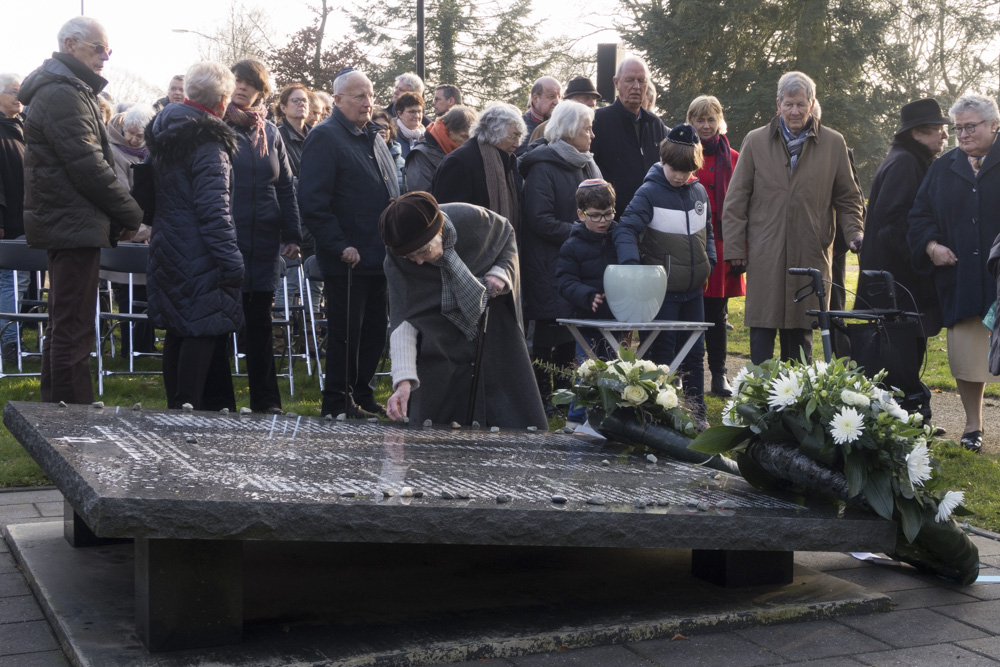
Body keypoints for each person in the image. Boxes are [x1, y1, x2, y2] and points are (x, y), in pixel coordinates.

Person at [20, 16, 144, 404]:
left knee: (65, 323)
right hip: (71, 221)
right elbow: (88, 165)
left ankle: (54, 418)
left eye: (108, 50)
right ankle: (69, 423)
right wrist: (131, 213)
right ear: (70, 45)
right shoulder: (62, 92)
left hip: (71, 220)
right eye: (98, 48)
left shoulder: (70, 88)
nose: (105, 57)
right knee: (72, 327)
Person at [722, 71, 864, 365]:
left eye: (801, 104)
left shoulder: (834, 143)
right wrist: (736, 250)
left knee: (801, 346)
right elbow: (735, 201)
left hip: (810, 254)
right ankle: (758, 405)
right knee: (761, 339)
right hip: (765, 256)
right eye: (789, 104)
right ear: (778, 104)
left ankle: (798, 407)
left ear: (812, 105)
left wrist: (854, 234)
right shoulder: (756, 141)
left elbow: (849, 199)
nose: (795, 111)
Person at [380, 191, 547, 428]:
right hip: (438, 338)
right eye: (411, 256)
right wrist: (403, 383)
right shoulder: (397, 258)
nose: (417, 262)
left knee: (509, 419)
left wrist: (500, 272)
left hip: (492, 325)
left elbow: (506, 235)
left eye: (423, 252)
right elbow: (404, 319)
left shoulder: (473, 219)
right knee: (435, 429)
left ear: (438, 232)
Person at [298, 69, 400, 419]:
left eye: (370, 95)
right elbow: (312, 201)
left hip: (380, 254)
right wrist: (339, 244)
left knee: (373, 332)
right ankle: (337, 402)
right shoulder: (326, 137)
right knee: (346, 334)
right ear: (337, 100)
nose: (368, 102)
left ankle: (362, 393)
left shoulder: (370, 137)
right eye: (359, 96)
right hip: (349, 257)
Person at [145, 61, 244, 411]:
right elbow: (214, 207)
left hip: (167, 241)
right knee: (201, 326)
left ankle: (178, 404)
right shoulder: (208, 142)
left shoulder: (164, 129)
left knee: (178, 327)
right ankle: (188, 408)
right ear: (222, 101)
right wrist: (231, 259)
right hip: (200, 247)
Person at [908, 94, 1000, 452]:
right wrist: (932, 247)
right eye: (958, 128)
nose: (962, 134)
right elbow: (919, 217)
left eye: (970, 127)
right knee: (966, 356)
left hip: (998, 278)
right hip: (960, 279)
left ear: (994, 125)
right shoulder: (943, 168)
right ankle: (973, 424)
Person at [614, 125, 715, 426]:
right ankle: (657, 418)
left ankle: (697, 416)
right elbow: (626, 228)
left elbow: (707, 231)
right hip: (661, 292)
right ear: (663, 159)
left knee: (695, 354)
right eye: (674, 169)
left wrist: (709, 260)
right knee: (661, 356)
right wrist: (632, 266)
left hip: (694, 290)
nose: (679, 176)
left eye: (687, 170)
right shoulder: (649, 192)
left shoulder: (699, 192)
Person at [857, 99, 948, 423]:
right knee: (897, 355)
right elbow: (893, 224)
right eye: (938, 130)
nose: (944, 137)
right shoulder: (905, 164)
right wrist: (926, 250)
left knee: (900, 353)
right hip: (895, 283)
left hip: (894, 281)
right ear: (919, 132)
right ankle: (905, 417)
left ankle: (908, 415)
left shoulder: (909, 159)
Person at [225, 58, 302, 415]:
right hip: (227, 239)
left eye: (250, 83)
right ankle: (218, 400)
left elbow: (285, 187)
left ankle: (267, 402)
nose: (242, 87)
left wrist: (293, 233)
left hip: (266, 242)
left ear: (261, 90)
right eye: (237, 80)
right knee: (223, 321)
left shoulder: (269, 132)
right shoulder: (216, 126)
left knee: (260, 323)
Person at [519, 100, 601, 411]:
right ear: (568, 132)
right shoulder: (543, 165)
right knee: (547, 326)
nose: (591, 135)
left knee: (571, 327)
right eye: (586, 129)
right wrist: (582, 232)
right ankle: (542, 394)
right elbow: (539, 219)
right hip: (548, 262)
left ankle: (566, 393)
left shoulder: (587, 162)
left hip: (579, 262)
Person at [687, 95, 743, 397]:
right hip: (688, 245)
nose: (706, 125)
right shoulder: (681, 154)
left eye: (711, 119)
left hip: (722, 246)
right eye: (700, 119)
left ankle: (719, 375)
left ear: (719, 120)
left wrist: (740, 249)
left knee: (717, 314)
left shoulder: (733, 157)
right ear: (691, 121)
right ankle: (687, 375)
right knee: (689, 313)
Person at [105, 104, 156, 354]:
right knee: (127, 293)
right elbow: (123, 195)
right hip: (129, 232)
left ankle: (145, 347)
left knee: (147, 291)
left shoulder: (151, 154)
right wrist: (143, 228)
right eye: (130, 133)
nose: (134, 139)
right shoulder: (114, 152)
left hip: (148, 234)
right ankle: (130, 348)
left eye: (140, 135)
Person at [431, 102, 525, 235]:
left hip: (504, 248)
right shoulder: (459, 162)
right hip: (471, 250)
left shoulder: (508, 161)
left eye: (519, 137)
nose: (517, 144)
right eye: (513, 136)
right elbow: (448, 216)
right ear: (494, 132)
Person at [591, 57, 667, 218]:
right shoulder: (598, 122)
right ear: (616, 82)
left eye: (641, 80)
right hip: (612, 221)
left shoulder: (655, 125)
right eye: (629, 80)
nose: (636, 86)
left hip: (652, 220)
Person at [556, 179, 619, 358]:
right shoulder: (571, 246)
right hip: (585, 320)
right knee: (589, 372)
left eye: (608, 214)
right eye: (595, 215)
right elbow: (565, 282)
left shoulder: (619, 240)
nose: (603, 221)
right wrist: (587, 295)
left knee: (616, 371)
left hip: (616, 321)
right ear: (581, 214)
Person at [0, 73, 26, 365]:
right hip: (7, 220)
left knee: (15, 281)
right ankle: (10, 345)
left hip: (25, 218)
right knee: (10, 281)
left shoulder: (21, 127)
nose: (17, 96)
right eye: (11, 91)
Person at [403, 105, 476, 193]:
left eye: (471, 138)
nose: (468, 142)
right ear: (448, 131)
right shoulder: (420, 156)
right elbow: (423, 199)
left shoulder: (464, 154)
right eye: (464, 136)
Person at [528, 76, 602, 144]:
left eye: (594, 99)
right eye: (586, 98)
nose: (592, 103)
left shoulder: (601, 125)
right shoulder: (547, 128)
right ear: (570, 101)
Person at [273, 84, 311, 176]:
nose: (302, 104)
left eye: (305, 100)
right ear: (283, 108)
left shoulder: (317, 134)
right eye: (295, 100)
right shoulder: (277, 136)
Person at [517, 76, 560, 154]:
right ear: (536, 98)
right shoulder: (518, 126)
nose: (557, 102)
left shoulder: (562, 124)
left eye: (559, 97)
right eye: (551, 97)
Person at [373, 109, 405, 192]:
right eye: (377, 127)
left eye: (386, 127)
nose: (382, 130)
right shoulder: (365, 158)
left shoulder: (402, 162)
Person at [393, 91, 425, 158]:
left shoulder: (427, 138)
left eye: (419, 112)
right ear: (400, 114)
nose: (417, 116)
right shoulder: (391, 137)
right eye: (412, 112)